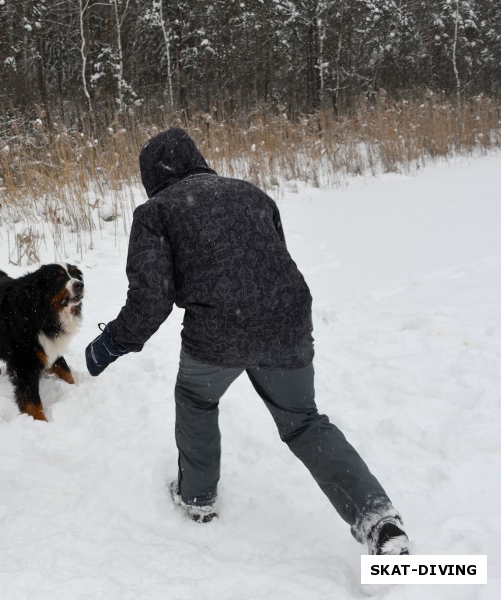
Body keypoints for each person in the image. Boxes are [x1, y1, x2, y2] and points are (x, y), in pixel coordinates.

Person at [85, 127, 409, 555]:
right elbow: (270, 263)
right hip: (288, 321)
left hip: (219, 333)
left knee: (196, 400)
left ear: (151, 175)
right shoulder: (252, 193)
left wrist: (110, 344)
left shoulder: (157, 212)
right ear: (196, 158)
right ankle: (378, 521)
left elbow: (151, 299)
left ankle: (197, 499)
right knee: (305, 422)